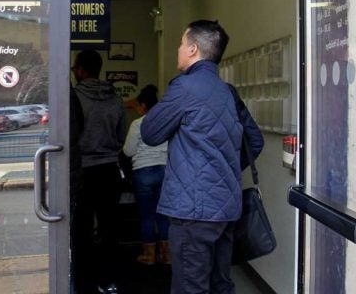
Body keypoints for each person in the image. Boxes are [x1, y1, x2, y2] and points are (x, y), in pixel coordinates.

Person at [141, 20, 264, 294]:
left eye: (181, 43)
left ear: (193, 49)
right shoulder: (228, 92)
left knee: (190, 286)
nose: (178, 49)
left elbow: (150, 132)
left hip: (192, 210)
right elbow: (255, 142)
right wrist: (225, 170)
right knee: (220, 284)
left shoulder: (184, 88)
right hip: (226, 206)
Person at [71, 50, 127, 294]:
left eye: (75, 69)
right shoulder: (115, 99)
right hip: (109, 169)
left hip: (83, 169)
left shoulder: (73, 98)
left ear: (82, 70)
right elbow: (122, 136)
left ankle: (83, 283)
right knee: (109, 228)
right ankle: (109, 280)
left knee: (81, 228)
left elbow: (70, 136)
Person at [122, 84, 170, 266]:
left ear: (143, 106)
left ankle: (149, 255)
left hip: (143, 172)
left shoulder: (137, 124)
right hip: (165, 171)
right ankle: (167, 255)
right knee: (164, 215)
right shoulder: (166, 122)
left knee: (147, 215)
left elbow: (127, 151)